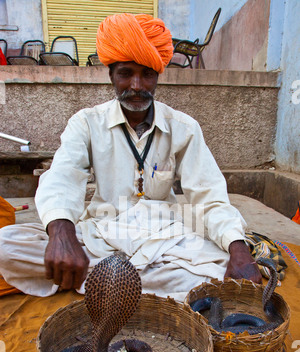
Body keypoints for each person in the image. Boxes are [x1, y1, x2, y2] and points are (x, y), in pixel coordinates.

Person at [0, 13, 261, 302]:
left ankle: (101, 281)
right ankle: (137, 283)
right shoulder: (86, 122)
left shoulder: (183, 128)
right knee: (7, 245)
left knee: (223, 261)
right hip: (102, 234)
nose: (137, 85)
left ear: (158, 76)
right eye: (126, 73)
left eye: (147, 73)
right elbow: (63, 175)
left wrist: (238, 248)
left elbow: (209, 196)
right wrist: (61, 232)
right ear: (110, 74)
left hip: (166, 238)